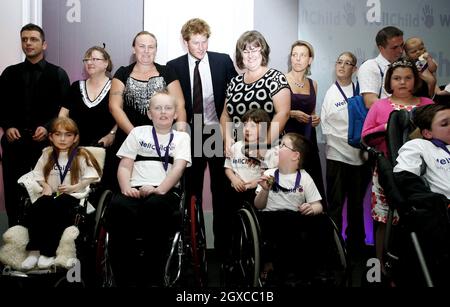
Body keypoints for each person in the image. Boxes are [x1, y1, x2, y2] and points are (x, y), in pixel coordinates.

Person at [166, 18, 237, 262]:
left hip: (217, 131)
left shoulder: (223, 61)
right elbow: (175, 104)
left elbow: (234, 96)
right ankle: (195, 248)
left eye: (204, 41)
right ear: (185, 42)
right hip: (190, 134)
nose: (201, 47)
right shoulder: (173, 66)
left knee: (222, 191)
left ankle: (224, 249)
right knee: (192, 191)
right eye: (196, 42)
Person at [106, 91, 191, 287]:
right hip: (133, 189)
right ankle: (124, 276)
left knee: (155, 208)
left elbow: (178, 169)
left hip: (165, 191)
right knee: (118, 207)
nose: (163, 112)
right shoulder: (138, 133)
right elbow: (125, 165)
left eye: (168, 108)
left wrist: (159, 189)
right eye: (157, 108)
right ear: (149, 113)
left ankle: (153, 275)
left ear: (175, 114)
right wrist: (126, 188)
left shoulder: (181, 138)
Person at [361, 58, 434, 267]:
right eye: (397, 78)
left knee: (420, 220)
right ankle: (378, 266)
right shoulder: (379, 106)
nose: (402, 82)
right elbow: (364, 137)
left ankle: (417, 265)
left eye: (408, 78)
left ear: (416, 80)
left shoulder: (428, 105)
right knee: (383, 220)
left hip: (422, 173)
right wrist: (386, 127)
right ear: (389, 82)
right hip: (387, 171)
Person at [0, 23, 70, 227]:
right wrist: (8, 125)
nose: (28, 43)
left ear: (44, 44)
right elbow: (1, 104)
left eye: (33, 39)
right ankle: (15, 237)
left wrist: (48, 127)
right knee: (13, 192)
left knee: (45, 190)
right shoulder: (9, 73)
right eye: (24, 39)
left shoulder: (58, 74)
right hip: (15, 142)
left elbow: (65, 108)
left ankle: (42, 239)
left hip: (46, 145)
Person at [20, 117, 102, 270]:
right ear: (50, 137)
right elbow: (36, 174)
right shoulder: (47, 153)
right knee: (37, 206)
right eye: (58, 134)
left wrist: (75, 186)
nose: (62, 139)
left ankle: (48, 253)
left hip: (72, 196)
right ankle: (34, 252)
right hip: (52, 195)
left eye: (68, 135)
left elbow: (92, 176)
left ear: (75, 137)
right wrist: (45, 185)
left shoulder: (81, 154)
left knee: (58, 206)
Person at [255, 133, 329, 284]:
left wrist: (312, 208)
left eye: (282, 145)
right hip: (270, 220)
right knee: (284, 224)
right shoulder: (269, 174)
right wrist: (265, 190)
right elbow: (258, 205)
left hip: (296, 219)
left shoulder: (305, 177)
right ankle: (277, 268)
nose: (277, 148)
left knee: (321, 221)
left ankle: (315, 268)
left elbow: (318, 204)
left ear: (295, 156)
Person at [321, 52, 372, 256]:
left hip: (360, 158)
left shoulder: (362, 92)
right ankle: (333, 248)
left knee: (356, 206)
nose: (342, 66)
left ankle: (356, 246)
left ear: (355, 69)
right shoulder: (330, 93)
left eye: (347, 63)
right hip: (337, 157)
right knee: (335, 205)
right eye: (339, 62)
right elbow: (326, 127)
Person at [393, 103, 450, 286]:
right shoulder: (418, 146)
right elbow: (404, 176)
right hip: (442, 206)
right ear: (427, 133)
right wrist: (432, 200)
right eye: (445, 123)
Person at [109, 31, 187, 147]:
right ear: (134, 49)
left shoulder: (167, 72)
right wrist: (136, 136)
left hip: (163, 141)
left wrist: (180, 136)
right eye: (142, 46)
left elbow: (180, 105)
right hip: (128, 140)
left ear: (156, 50)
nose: (146, 51)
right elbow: (115, 107)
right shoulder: (122, 73)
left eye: (151, 47)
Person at [220, 30, 290, 156]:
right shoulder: (234, 82)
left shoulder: (275, 78)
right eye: (245, 51)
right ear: (240, 56)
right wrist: (227, 138)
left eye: (254, 50)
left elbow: (283, 113)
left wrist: (262, 145)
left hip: (267, 151)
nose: (250, 55)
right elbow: (225, 115)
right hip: (239, 152)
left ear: (262, 51)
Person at [59, 46, 117, 190]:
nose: (90, 62)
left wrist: (111, 135)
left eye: (95, 59)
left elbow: (121, 117)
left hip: (104, 148)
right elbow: (62, 115)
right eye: (87, 59)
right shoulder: (75, 87)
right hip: (75, 148)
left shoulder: (116, 87)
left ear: (106, 64)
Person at [284, 40, 326, 205]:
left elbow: (312, 113)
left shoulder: (313, 84)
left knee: (311, 187)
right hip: (288, 139)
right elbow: (274, 112)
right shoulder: (281, 79)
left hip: (309, 140)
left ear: (310, 60)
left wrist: (316, 119)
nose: (298, 59)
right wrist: (292, 113)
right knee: (290, 187)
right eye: (294, 55)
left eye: (302, 55)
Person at [224, 109, 277, 206]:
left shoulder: (267, 151)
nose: (247, 129)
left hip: (256, 191)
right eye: (245, 125)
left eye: (252, 126)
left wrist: (256, 183)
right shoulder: (235, 146)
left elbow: (271, 174)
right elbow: (228, 167)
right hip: (236, 189)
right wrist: (234, 179)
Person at [358, 26, 404, 108]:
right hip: (383, 119)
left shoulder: (406, 66)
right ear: (381, 48)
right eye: (394, 47)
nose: (400, 51)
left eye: (402, 45)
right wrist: (403, 109)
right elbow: (370, 102)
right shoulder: (370, 67)